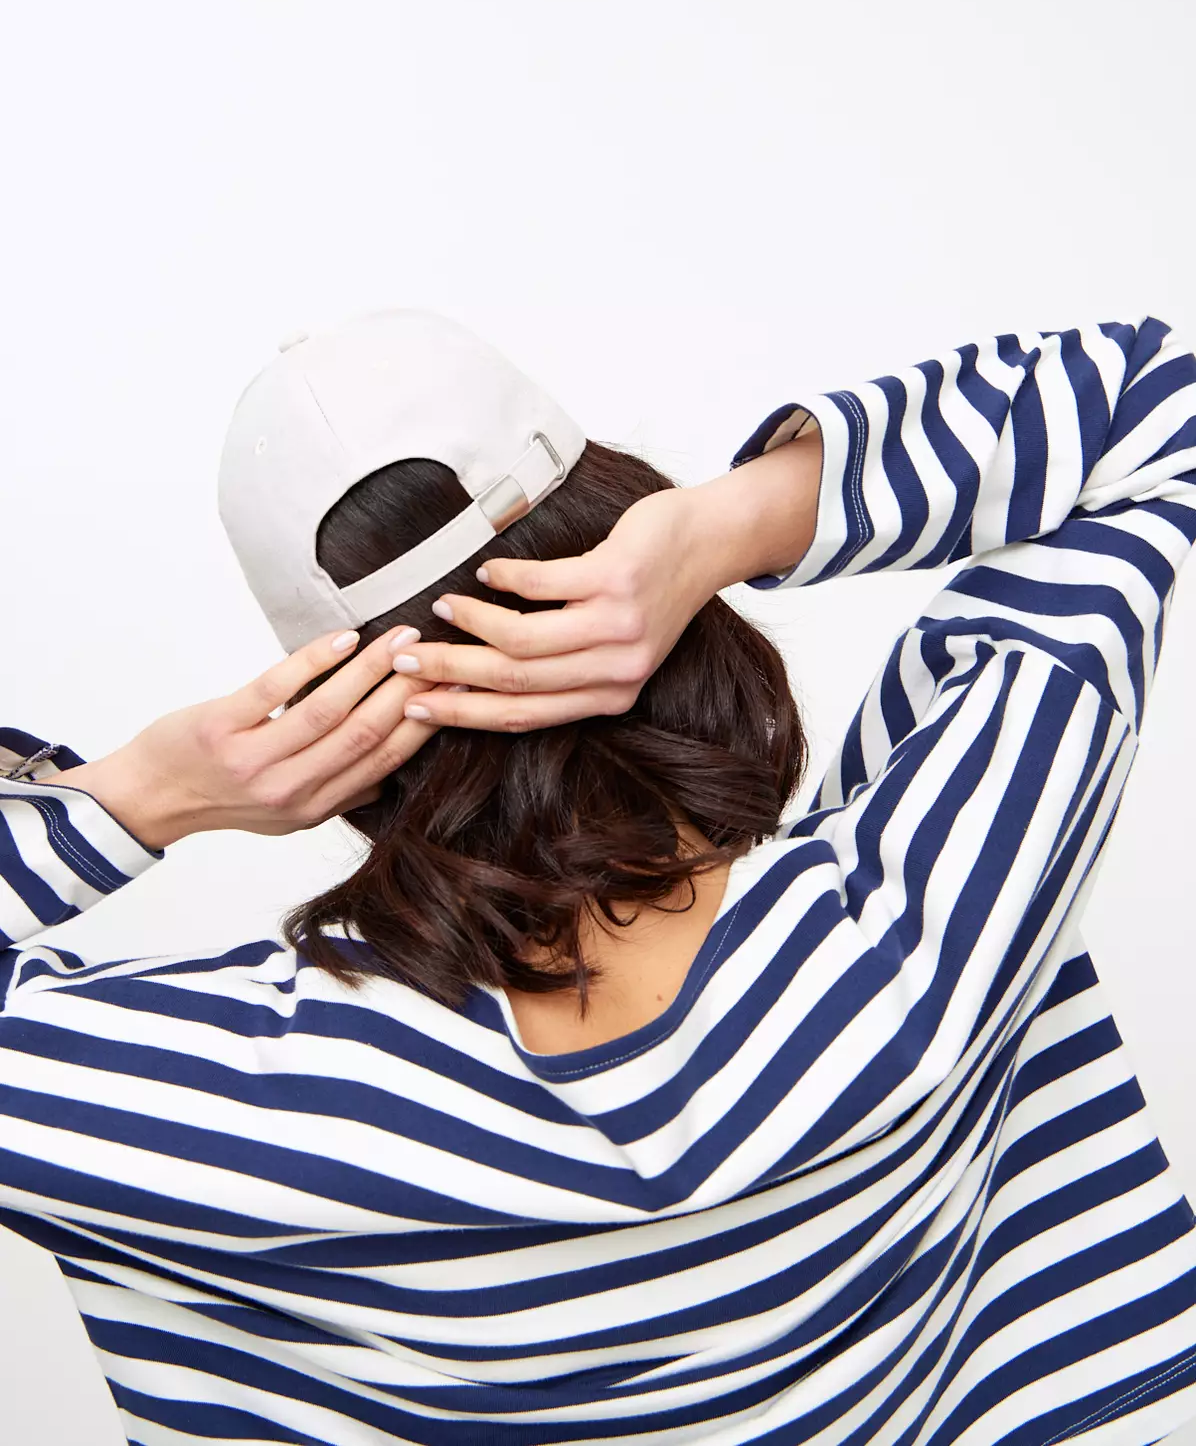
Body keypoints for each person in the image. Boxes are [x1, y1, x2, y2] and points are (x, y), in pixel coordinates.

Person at [3, 310, 1196, 1446]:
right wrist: (724, 526)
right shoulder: (920, 915)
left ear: (334, 701)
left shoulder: (263, 1104)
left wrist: (141, 794)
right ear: (628, 531)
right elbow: (1145, 408)